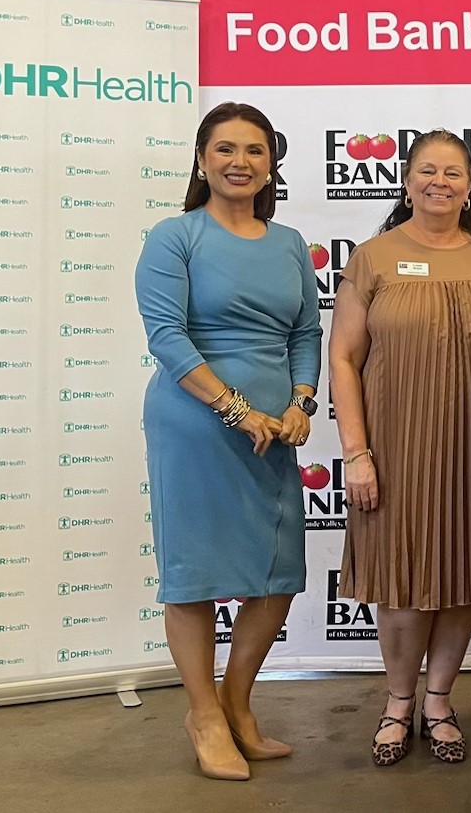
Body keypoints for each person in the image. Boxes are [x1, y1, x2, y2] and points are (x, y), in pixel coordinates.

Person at [135, 102, 322, 781]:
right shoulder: (173, 236)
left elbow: (305, 333)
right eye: (225, 149)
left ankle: (237, 702)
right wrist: (235, 407)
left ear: (271, 162)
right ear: (201, 159)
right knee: (194, 575)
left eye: (254, 150)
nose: (240, 161)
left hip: (274, 430)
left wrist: (300, 402)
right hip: (195, 425)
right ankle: (203, 714)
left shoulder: (290, 242)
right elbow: (166, 336)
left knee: (277, 575)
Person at [329, 129, 471, 766]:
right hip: (394, 446)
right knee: (403, 583)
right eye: (427, 170)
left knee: (462, 579)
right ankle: (398, 704)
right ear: (406, 181)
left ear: (469, 185)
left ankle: (439, 701)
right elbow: (344, 357)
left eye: (453, 171)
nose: (440, 181)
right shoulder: (374, 257)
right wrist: (356, 452)